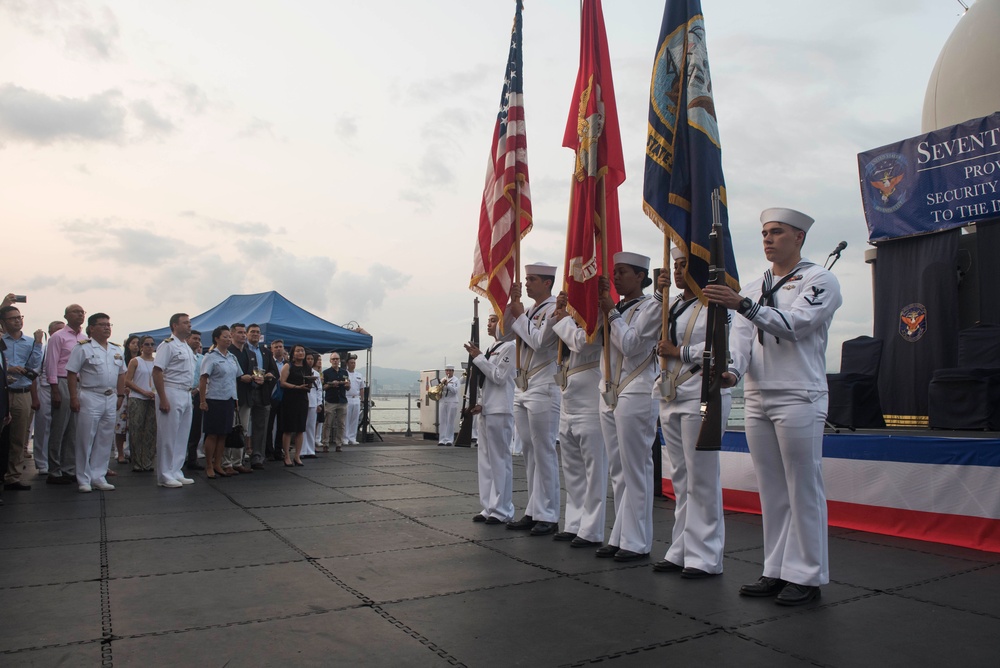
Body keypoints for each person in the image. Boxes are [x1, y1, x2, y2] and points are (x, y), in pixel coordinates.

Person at [703, 207, 842, 606]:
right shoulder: (754, 285)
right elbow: (742, 342)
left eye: (777, 232)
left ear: (798, 237)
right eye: (764, 232)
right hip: (760, 396)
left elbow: (797, 325)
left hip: (799, 394)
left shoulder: (819, 280)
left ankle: (808, 574)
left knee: (803, 488)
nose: (767, 239)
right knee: (772, 489)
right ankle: (777, 568)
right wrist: (730, 372)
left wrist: (743, 305)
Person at [653, 248, 731, 578]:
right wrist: (659, 292)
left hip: (701, 390)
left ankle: (706, 555)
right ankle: (682, 547)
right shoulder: (672, 304)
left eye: (685, 265)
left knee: (701, 477)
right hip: (671, 394)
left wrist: (680, 351)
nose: (678, 271)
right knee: (681, 478)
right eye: (675, 265)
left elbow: (724, 344)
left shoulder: (715, 304)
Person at [596, 252, 661, 562]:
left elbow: (633, 344)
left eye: (623, 272)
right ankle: (620, 534)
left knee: (636, 468)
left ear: (640, 276)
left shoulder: (653, 307)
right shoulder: (615, 308)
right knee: (618, 469)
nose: (616, 277)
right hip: (609, 389)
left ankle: (637, 541)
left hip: (637, 388)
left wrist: (611, 314)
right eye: (615, 271)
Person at [504, 262, 562, 536]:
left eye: (532, 279)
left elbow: (541, 342)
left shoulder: (553, 311)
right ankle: (533, 509)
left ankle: (548, 513)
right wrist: (511, 305)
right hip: (523, 385)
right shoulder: (526, 310)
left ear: (547, 283)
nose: (527, 283)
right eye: (526, 279)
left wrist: (520, 317)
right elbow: (503, 334)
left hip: (544, 383)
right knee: (528, 450)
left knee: (544, 450)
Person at [548, 291, 608, 548]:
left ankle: (592, 528)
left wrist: (563, 319)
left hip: (590, 398)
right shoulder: (570, 318)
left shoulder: (599, 318)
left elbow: (583, 342)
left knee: (594, 468)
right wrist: (561, 313)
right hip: (568, 397)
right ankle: (574, 522)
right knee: (572, 467)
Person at [65, 313, 126, 492]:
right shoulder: (82, 348)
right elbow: (71, 373)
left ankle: (98, 475)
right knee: (85, 437)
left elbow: (121, 374)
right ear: (92, 328)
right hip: (90, 395)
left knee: (105, 438)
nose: (107, 327)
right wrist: (73, 398)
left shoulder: (116, 349)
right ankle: (83, 478)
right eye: (102, 325)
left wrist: (121, 396)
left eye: (109, 324)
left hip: (110, 396)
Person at [465, 313, 515, 524]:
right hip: (487, 409)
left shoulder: (510, 347)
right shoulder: (490, 349)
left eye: (494, 320)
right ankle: (488, 506)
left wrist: (478, 357)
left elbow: (498, 376)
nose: (489, 324)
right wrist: (480, 404)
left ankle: (502, 509)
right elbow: (485, 381)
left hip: (501, 409)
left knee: (499, 460)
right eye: (489, 320)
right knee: (485, 462)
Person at [44, 304, 88, 485]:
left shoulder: (84, 338)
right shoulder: (58, 336)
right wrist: (54, 389)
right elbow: (51, 363)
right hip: (62, 381)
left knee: (73, 429)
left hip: (79, 383)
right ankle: (54, 470)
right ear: (66, 315)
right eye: (76, 312)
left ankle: (69, 467)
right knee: (59, 427)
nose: (80, 315)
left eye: (82, 312)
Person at [1, 305, 43, 492]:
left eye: (19, 317)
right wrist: (7, 369)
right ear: (3, 323)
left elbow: (34, 365)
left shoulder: (29, 341)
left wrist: (38, 344)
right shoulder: (1, 341)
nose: (18, 320)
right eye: (12, 318)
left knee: (19, 437)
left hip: (22, 391)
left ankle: (13, 476)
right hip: (4, 391)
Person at [152, 313, 196, 488]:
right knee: (168, 436)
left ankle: (176, 470)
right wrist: (162, 397)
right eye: (185, 323)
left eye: (189, 323)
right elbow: (157, 371)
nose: (189, 326)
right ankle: (164, 474)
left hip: (186, 393)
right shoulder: (167, 345)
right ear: (174, 326)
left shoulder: (186, 346)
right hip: (171, 390)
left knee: (181, 436)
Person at [199, 325, 241, 479]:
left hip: (229, 399)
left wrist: (235, 398)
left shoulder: (232, 357)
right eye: (225, 336)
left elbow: (235, 379)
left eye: (230, 336)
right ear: (216, 339)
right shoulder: (210, 357)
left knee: (223, 434)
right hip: (214, 399)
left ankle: (218, 463)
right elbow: (203, 379)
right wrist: (202, 401)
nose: (229, 339)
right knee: (212, 434)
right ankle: (209, 465)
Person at [31, 320, 64, 476]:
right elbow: (33, 375)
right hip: (44, 389)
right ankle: (42, 462)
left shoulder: (69, 349)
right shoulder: (43, 350)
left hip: (63, 388)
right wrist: (35, 398)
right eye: (57, 330)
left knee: (62, 427)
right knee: (43, 427)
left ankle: (59, 460)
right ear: (50, 333)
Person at [221, 323, 253, 475]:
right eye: (240, 332)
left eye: (244, 332)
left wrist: (255, 378)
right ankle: (226, 462)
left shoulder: (247, 352)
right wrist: (242, 378)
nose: (243, 335)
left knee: (243, 430)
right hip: (231, 396)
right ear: (232, 334)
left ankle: (238, 461)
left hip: (246, 396)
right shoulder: (229, 353)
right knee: (230, 430)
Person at [124, 336, 157, 472]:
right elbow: (128, 381)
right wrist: (143, 391)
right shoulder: (135, 361)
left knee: (150, 430)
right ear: (141, 347)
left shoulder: (157, 362)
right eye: (146, 344)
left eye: (152, 344)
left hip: (152, 399)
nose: (149, 347)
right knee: (136, 430)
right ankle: (137, 461)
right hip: (137, 398)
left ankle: (147, 461)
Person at [247, 324, 278, 469]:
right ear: (247, 334)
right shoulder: (242, 349)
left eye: (257, 332)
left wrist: (269, 375)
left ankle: (257, 456)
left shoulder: (265, 352)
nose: (255, 334)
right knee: (242, 425)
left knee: (261, 426)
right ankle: (238, 457)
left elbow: (274, 370)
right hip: (247, 390)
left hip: (262, 392)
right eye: (252, 332)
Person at [279, 344, 311, 466]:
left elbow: (309, 382)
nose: (300, 353)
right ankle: (286, 455)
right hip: (290, 399)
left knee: (300, 429)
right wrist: (296, 387)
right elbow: (282, 382)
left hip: (303, 399)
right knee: (288, 429)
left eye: (302, 350)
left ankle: (297, 456)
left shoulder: (307, 367)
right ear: (293, 353)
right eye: (298, 351)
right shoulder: (288, 366)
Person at [113, 335, 140, 466]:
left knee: (135, 426)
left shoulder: (143, 360)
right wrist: (124, 389)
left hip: (139, 395)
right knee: (121, 426)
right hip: (125, 395)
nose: (135, 345)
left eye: (137, 343)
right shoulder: (123, 358)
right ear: (128, 345)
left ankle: (134, 452)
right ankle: (120, 453)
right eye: (133, 343)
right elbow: (119, 375)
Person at [321, 352, 349, 452]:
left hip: (342, 400)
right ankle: (325, 443)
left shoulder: (344, 372)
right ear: (330, 361)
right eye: (333, 359)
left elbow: (348, 386)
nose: (335, 361)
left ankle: (339, 444)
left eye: (337, 359)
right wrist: (331, 384)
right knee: (328, 423)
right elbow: (323, 387)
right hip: (331, 400)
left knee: (341, 424)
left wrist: (346, 385)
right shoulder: (326, 372)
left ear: (339, 360)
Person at [185, 330, 205, 470]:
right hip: (182, 392)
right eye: (194, 338)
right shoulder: (183, 355)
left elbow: (205, 378)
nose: (197, 341)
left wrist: (197, 390)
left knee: (196, 428)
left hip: (197, 394)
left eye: (199, 339)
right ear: (187, 339)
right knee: (181, 428)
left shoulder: (202, 359)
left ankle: (192, 458)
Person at [265, 339, 286, 460]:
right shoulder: (268, 362)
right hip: (271, 396)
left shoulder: (287, 363)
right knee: (269, 425)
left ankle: (279, 450)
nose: (278, 349)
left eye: (280, 346)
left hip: (284, 397)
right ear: (272, 349)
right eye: (276, 347)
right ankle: (269, 451)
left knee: (282, 425)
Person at [300, 352, 322, 458]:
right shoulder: (300, 371)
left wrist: (319, 403)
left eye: (311, 359)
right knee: (302, 427)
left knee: (311, 426)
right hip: (302, 401)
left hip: (313, 402)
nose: (310, 361)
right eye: (308, 358)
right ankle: (302, 450)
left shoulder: (316, 374)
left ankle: (310, 449)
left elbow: (319, 390)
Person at [344, 355, 364, 446]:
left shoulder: (359, 375)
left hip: (356, 398)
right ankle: (345, 438)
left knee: (354, 419)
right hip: (347, 398)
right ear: (347, 364)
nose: (353, 364)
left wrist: (362, 400)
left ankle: (352, 437)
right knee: (346, 419)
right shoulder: (344, 374)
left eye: (354, 363)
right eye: (351, 363)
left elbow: (362, 388)